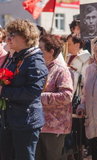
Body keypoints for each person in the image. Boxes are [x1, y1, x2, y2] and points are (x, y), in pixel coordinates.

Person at [0, 19, 48, 160]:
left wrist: (3, 92)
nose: (8, 38)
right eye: (8, 34)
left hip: (25, 121)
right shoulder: (15, 57)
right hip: (10, 119)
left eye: (13, 34)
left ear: (26, 37)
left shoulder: (34, 59)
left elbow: (33, 91)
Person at [36, 34, 73, 160]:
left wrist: (40, 97)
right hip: (39, 125)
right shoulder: (40, 68)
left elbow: (67, 96)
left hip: (55, 127)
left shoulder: (61, 70)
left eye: (40, 49)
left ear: (51, 51)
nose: (37, 51)